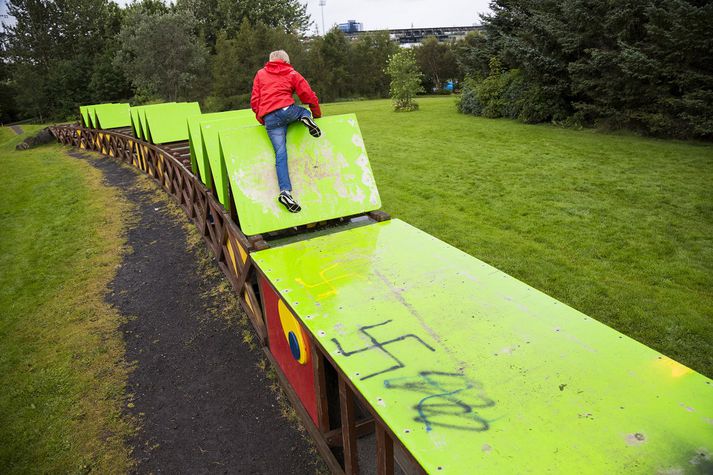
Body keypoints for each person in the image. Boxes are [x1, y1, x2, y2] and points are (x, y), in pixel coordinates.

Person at [250, 50, 322, 213]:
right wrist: (315, 113)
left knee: (280, 155)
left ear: (271, 61)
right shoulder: (291, 73)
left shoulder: (260, 74)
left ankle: (285, 192)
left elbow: (255, 100)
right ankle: (305, 118)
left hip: (270, 118)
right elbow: (308, 95)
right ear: (285, 61)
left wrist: (262, 118)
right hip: (287, 110)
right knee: (303, 111)